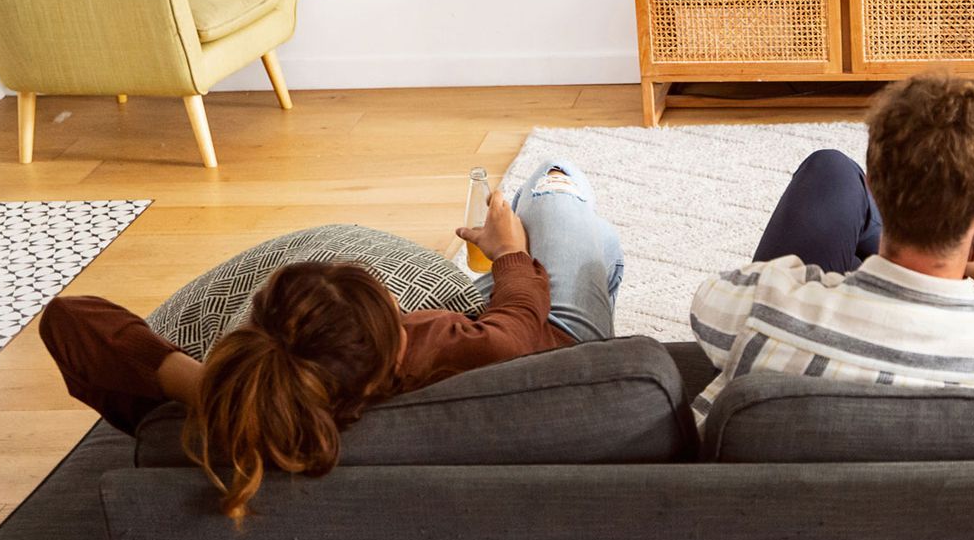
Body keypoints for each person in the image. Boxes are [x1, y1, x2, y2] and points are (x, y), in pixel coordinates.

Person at [39, 160, 624, 520]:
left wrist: (206, 386)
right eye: (390, 307)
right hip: (564, 349)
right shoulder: (443, 352)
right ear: (393, 337)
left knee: (591, 240)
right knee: (560, 190)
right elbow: (519, 323)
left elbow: (69, 318)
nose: (396, 302)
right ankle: (541, 203)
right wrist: (509, 251)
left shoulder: (220, 419)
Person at [688, 73, 974, 426]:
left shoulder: (767, 308)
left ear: (873, 185)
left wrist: (825, 290)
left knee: (831, 170)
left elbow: (706, 304)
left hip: (758, 486)